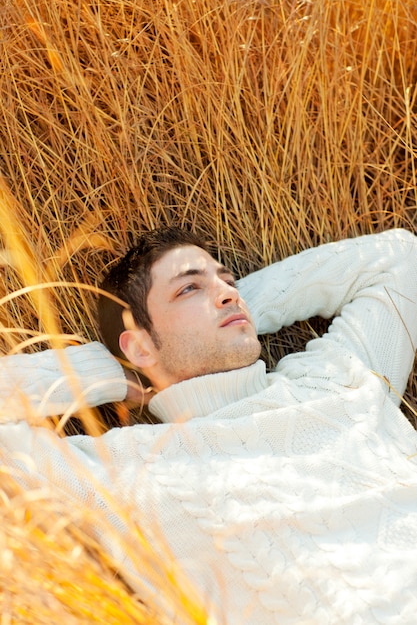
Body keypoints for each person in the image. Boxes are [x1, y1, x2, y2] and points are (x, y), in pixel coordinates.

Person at [1, 226, 417, 624]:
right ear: (139, 342)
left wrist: (240, 307)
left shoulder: (334, 378)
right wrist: (108, 368)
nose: (228, 293)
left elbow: (399, 258)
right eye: (189, 288)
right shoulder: (120, 474)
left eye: (229, 279)